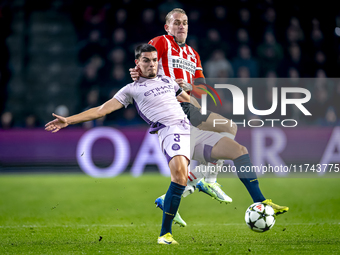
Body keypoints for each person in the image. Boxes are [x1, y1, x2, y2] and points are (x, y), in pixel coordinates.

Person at [46, 44, 288, 244]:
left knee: (238, 150)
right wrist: (68, 120)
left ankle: (261, 201)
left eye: (154, 60)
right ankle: (165, 233)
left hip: (189, 129)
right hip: (170, 133)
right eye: (146, 61)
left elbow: (188, 101)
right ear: (137, 64)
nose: (151, 64)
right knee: (179, 178)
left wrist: (198, 104)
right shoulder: (131, 89)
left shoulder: (167, 80)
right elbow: (101, 110)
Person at [129, 8, 237, 226]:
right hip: (171, 108)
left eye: (185, 23)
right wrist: (136, 73)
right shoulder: (161, 42)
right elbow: (143, 63)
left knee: (223, 134)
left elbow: (204, 88)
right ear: (167, 27)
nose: (181, 26)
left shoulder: (193, 54)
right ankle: (207, 182)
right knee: (226, 131)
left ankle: (175, 196)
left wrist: (192, 87)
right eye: (177, 22)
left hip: (188, 105)